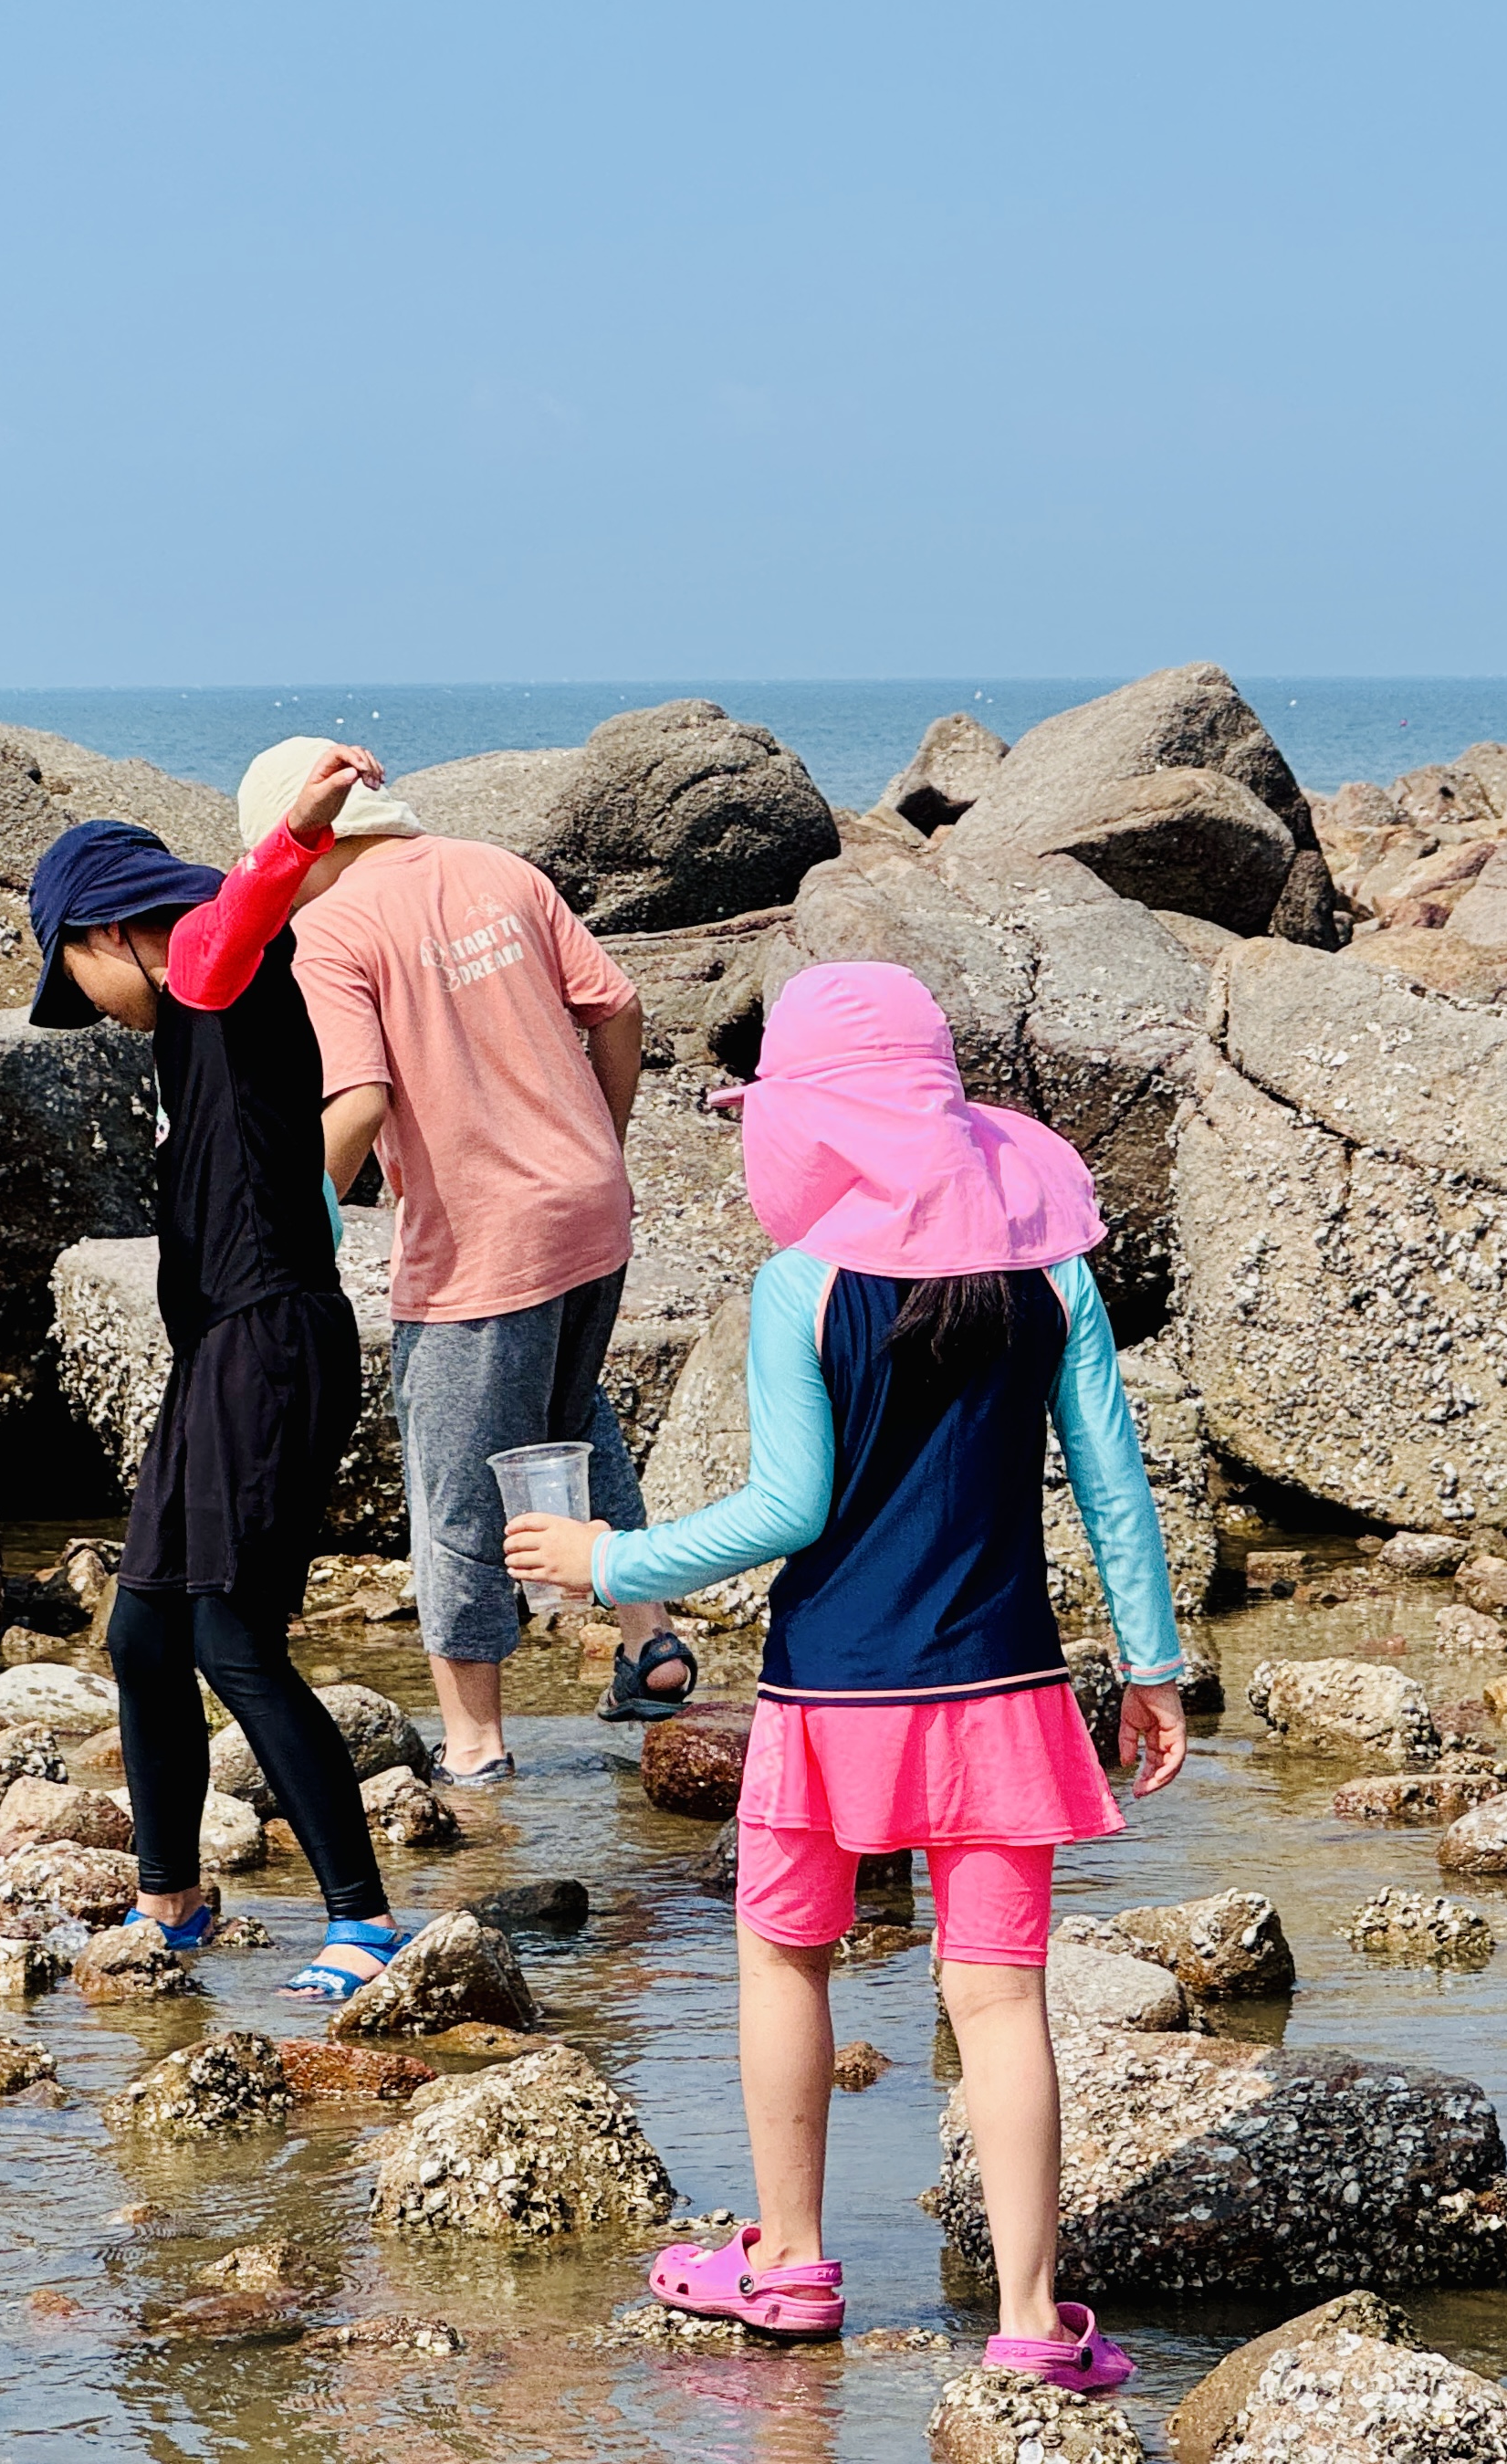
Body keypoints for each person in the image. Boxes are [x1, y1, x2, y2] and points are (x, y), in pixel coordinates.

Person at [504, 960, 1188, 2390]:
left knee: (784, 1954)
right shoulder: (1050, 1271)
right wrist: (1151, 1664)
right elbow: (1113, 1485)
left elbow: (787, 1508)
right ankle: (1029, 2322)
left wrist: (610, 1558)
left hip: (830, 1698)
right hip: (1006, 1689)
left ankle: (792, 2264)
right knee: (998, 1998)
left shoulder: (802, 1286)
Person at [22, 751, 419, 2001]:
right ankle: (171, 1897)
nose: (91, 1008)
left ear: (110, 931)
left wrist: (294, 835)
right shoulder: (200, 1017)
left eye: (74, 977)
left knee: (232, 1636)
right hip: (216, 1353)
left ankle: (363, 1919)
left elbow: (226, 921)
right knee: (143, 1631)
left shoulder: (212, 972)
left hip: (269, 1345)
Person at [282, 747, 689, 1785]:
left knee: (456, 1482)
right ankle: (650, 1637)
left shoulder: (330, 929)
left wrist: (288, 1224)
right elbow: (617, 1008)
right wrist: (600, 1142)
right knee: (567, 1415)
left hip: (480, 1240)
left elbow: (359, 1100)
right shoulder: (499, 868)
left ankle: (473, 1743)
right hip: (589, 1208)